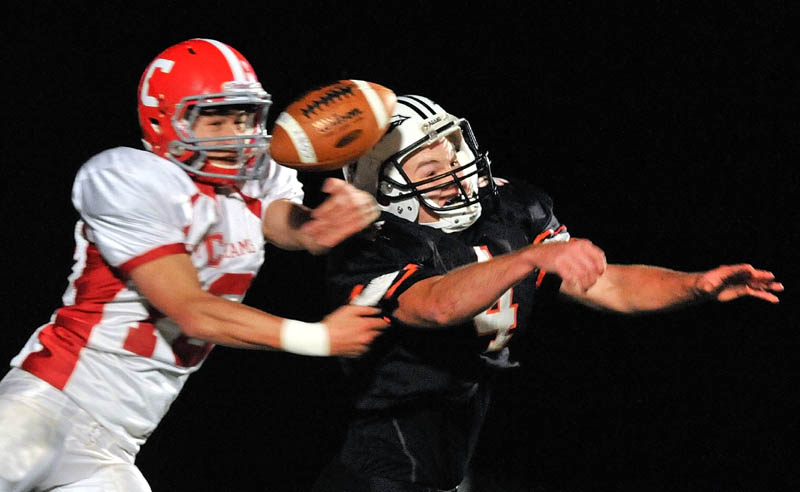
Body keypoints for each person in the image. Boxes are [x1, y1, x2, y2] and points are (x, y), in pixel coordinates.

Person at [311, 95, 783, 492]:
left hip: (449, 447)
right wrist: (528, 259)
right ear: (383, 185)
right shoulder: (369, 242)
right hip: (371, 461)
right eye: (431, 165)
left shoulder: (510, 208)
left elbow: (606, 283)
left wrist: (693, 285)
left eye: (455, 152)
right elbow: (433, 306)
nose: (456, 171)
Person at [0, 38, 388, 492]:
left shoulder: (252, 175)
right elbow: (190, 309)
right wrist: (318, 337)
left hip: (115, 447)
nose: (235, 134)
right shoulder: (128, 177)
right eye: (215, 119)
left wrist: (315, 227)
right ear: (165, 119)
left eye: (243, 117)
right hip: (47, 407)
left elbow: (278, 218)